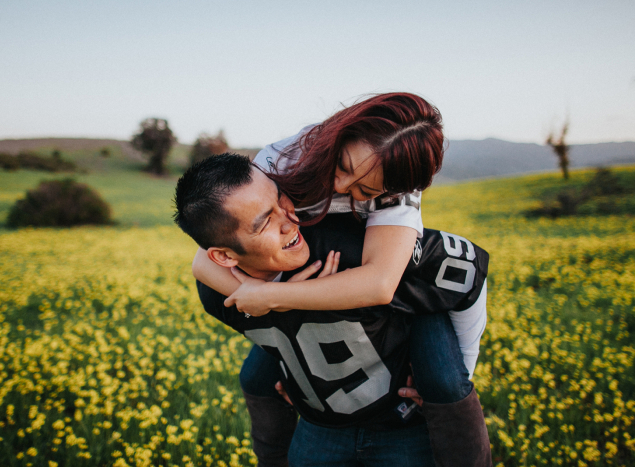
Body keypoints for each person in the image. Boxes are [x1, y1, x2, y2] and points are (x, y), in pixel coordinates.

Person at [191, 94, 489, 465]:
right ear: (338, 134)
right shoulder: (279, 161)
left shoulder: (399, 190)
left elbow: (380, 285)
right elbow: (204, 261)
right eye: (343, 164)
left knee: (444, 384)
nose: (342, 185)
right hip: (318, 285)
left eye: (366, 191)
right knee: (256, 378)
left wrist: (273, 296)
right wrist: (294, 357)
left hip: (405, 290)